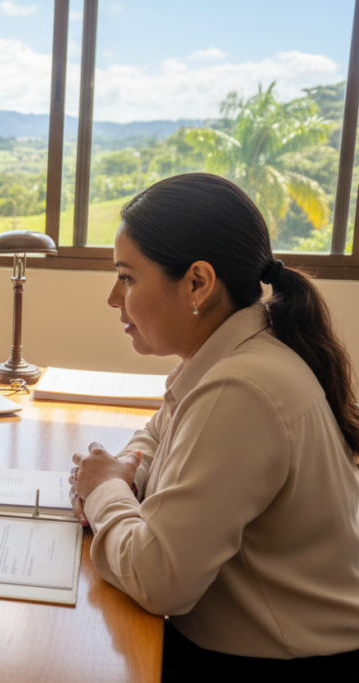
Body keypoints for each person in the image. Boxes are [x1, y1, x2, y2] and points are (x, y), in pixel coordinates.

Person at [68, 173, 359, 679]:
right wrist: (124, 475)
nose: (114, 298)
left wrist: (105, 491)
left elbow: (159, 581)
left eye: (127, 277)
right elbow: (156, 436)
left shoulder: (241, 388)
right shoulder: (232, 354)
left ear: (198, 282)